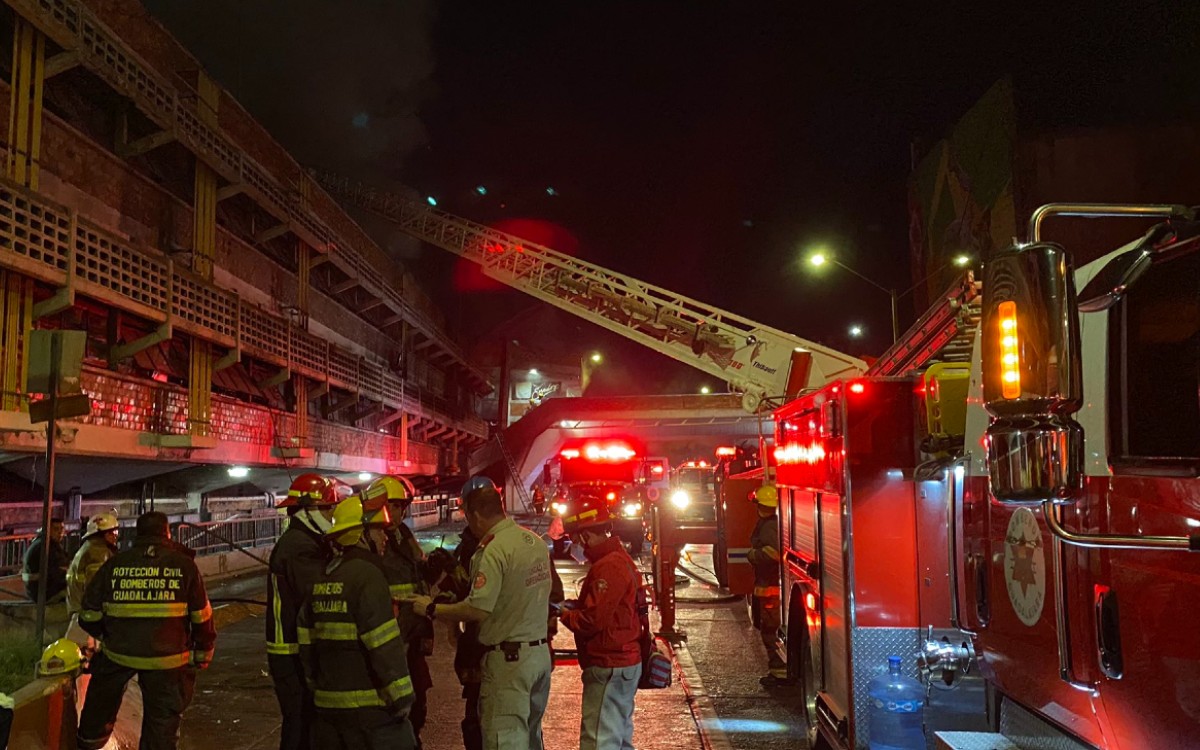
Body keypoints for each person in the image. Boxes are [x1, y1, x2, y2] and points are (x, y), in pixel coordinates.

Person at [406, 475, 554, 750]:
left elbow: (478, 608)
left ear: (473, 515)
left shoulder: (493, 549)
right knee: (531, 738)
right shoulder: (532, 542)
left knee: (504, 739)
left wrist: (431, 608)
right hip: (539, 657)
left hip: (509, 662)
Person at [76, 511, 216, 750]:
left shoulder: (115, 563)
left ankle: (90, 742)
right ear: (167, 533)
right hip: (168, 661)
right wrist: (202, 653)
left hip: (119, 653)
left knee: (100, 703)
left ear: (137, 534)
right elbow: (202, 617)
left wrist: (107, 636)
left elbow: (88, 614)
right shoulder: (184, 565)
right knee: (161, 723)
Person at [297, 493, 416, 749]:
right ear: (360, 535)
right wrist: (403, 698)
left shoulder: (322, 578)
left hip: (328, 709)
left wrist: (318, 689)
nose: (384, 537)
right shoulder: (368, 576)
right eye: (377, 531)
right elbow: (383, 645)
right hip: (368, 711)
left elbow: (306, 645)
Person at [266, 473, 342, 750]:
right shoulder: (299, 547)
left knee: (304, 722)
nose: (331, 514)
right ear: (308, 510)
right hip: (291, 651)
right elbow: (317, 595)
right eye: (326, 508)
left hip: (293, 648)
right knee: (300, 723)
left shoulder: (304, 541)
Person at [559, 498, 641, 750]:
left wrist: (564, 614)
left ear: (584, 536)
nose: (574, 546)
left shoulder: (608, 567)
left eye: (574, 539)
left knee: (599, 742)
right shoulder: (617, 559)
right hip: (622, 661)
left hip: (609, 664)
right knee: (618, 740)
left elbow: (592, 621)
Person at [370, 475, 436, 748]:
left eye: (400, 506)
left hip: (414, 634)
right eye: (391, 505)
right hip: (393, 638)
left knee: (418, 704)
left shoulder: (403, 535)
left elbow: (417, 575)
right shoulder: (373, 541)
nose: (396, 512)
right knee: (396, 710)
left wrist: (433, 571)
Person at [747, 483, 787, 684]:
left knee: (770, 631)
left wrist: (753, 554)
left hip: (770, 588)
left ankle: (779, 672)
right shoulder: (773, 522)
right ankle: (780, 670)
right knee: (770, 629)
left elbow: (775, 554)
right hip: (770, 586)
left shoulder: (770, 525)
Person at [65, 512, 120, 649]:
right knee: (83, 658)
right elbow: (98, 588)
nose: (116, 536)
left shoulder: (90, 548)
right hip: (85, 616)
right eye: (113, 532)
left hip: (80, 611)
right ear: (103, 533)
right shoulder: (98, 553)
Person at [23, 517, 68, 603]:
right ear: (48, 530)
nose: (60, 532)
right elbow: (56, 573)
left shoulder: (48, 544)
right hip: (43, 592)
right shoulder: (45, 547)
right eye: (56, 529)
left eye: (62, 529)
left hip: (40, 589)